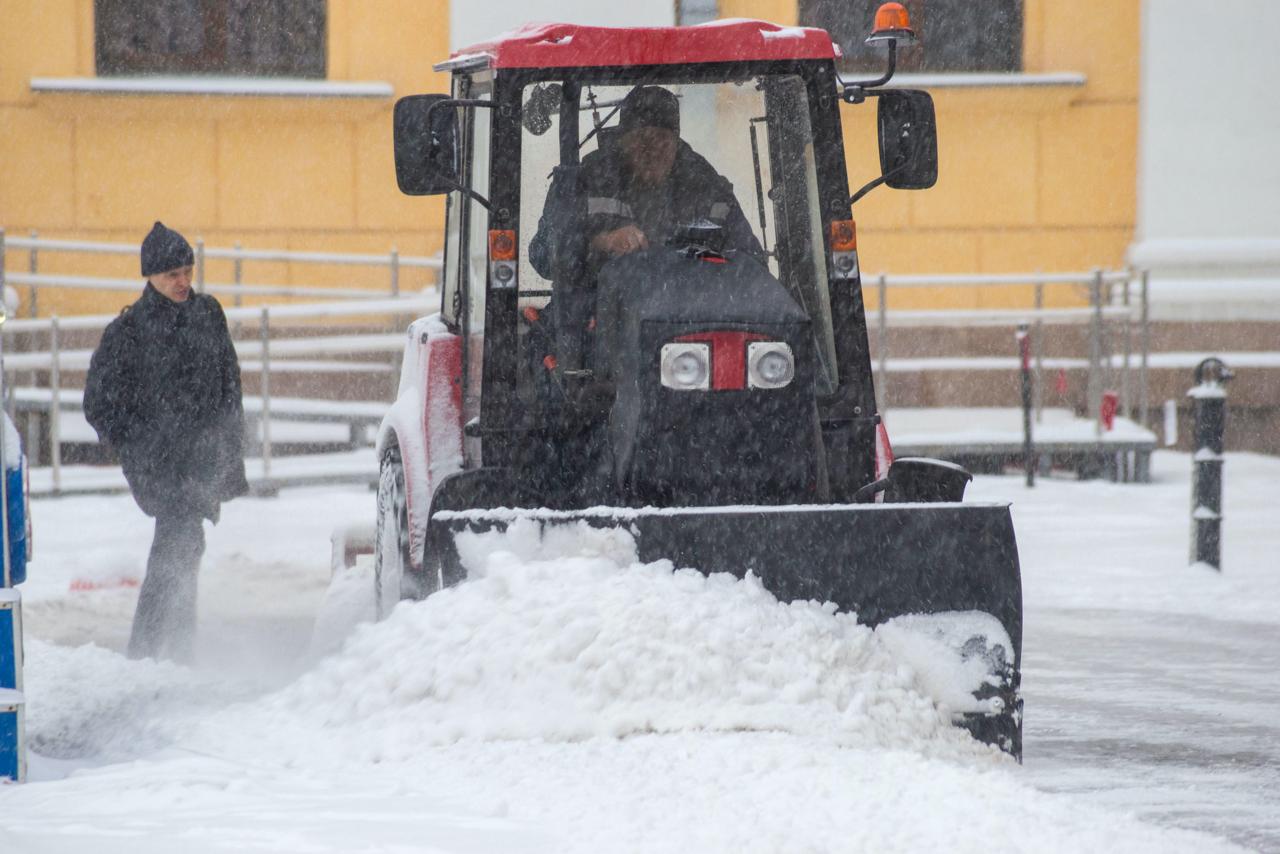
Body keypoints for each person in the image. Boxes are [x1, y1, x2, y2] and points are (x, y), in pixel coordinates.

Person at [84, 221, 248, 661]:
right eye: (171, 274)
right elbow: (98, 402)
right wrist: (138, 440)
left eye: (187, 271)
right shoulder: (128, 331)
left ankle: (164, 649)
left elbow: (229, 380)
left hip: (201, 455)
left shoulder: (208, 314)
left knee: (184, 543)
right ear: (150, 277)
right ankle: (158, 650)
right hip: (158, 462)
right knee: (179, 538)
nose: (182, 282)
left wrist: (229, 441)